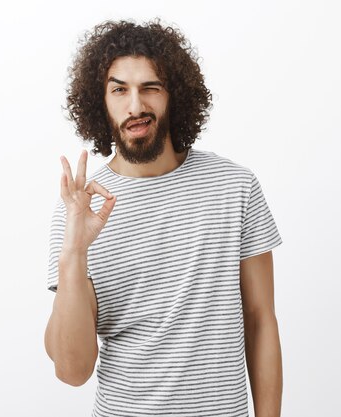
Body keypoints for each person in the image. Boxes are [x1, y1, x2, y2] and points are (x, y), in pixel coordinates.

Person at [44, 18, 283, 417]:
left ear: (175, 95)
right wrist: (73, 253)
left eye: (150, 87)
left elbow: (261, 321)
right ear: (99, 103)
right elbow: (72, 370)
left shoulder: (235, 187)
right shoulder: (77, 213)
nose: (135, 106)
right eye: (119, 90)